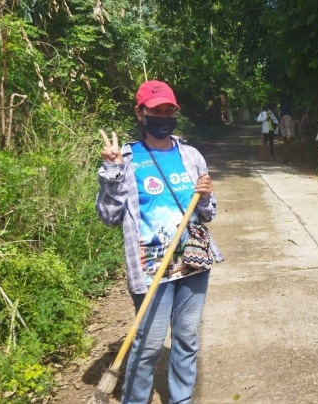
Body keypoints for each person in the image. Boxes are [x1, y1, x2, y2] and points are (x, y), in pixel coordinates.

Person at [96, 80, 223, 403]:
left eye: (169, 111)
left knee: (186, 337)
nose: (164, 117)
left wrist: (206, 196)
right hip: (150, 268)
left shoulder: (190, 155)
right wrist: (111, 171)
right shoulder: (126, 159)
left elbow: (207, 213)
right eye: (156, 111)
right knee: (149, 345)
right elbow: (109, 216)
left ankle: (181, 398)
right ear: (140, 113)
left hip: (193, 261)